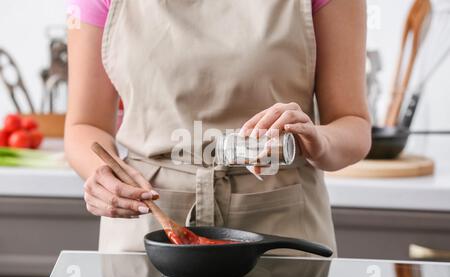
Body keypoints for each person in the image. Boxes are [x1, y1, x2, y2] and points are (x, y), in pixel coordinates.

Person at [65, 0, 371, 253]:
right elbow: (84, 125)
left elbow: (353, 126)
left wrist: (318, 140)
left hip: (280, 234)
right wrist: (103, 176)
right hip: (148, 229)